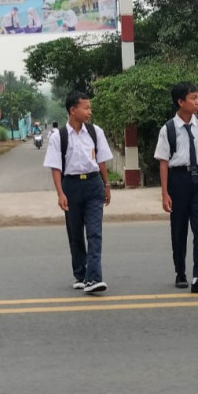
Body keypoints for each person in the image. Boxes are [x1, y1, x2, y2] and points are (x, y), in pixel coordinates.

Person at [43, 91, 113, 294]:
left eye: (89, 108)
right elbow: (55, 167)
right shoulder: (59, 137)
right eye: (86, 108)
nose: (89, 112)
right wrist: (60, 193)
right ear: (73, 110)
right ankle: (81, 274)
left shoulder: (95, 132)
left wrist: (106, 185)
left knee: (94, 232)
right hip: (71, 186)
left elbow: (101, 161)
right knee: (75, 233)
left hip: (93, 185)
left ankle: (94, 278)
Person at [154, 82, 198, 294]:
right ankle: (180, 271)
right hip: (178, 179)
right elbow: (163, 162)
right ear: (180, 102)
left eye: (197, 98)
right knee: (179, 228)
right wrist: (165, 193)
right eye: (193, 98)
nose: (197, 102)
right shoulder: (169, 129)